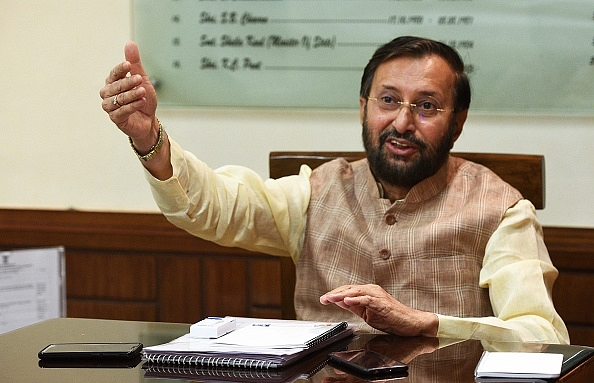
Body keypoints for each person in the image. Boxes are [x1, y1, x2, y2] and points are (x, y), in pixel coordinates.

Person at [100, 36, 569, 343]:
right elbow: (213, 208)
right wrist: (148, 137)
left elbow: (542, 335)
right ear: (364, 108)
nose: (403, 122)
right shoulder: (318, 191)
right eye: (388, 101)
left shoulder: (502, 210)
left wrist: (428, 323)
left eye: (426, 106)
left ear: (458, 122)